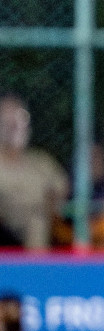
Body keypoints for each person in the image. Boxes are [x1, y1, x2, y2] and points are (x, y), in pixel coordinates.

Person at [0, 95, 69, 251]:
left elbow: (60, 192)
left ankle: (34, 271)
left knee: (36, 219)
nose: (15, 127)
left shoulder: (41, 163)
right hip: (5, 230)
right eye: (8, 122)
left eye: (20, 121)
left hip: (36, 228)